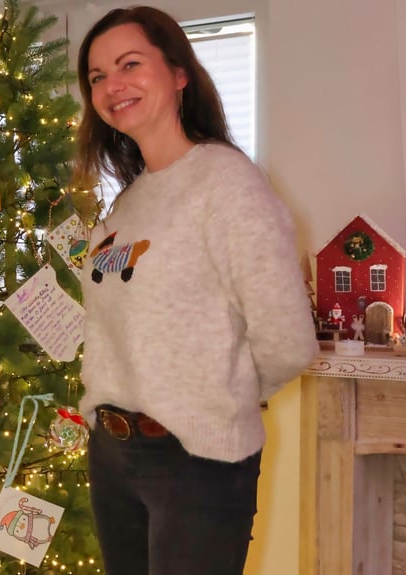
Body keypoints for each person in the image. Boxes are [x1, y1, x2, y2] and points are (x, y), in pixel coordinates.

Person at [73, 7, 319, 575]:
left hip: (197, 460)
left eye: (130, 64)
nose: (112, 86)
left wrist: (213, 396)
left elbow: (287, 339)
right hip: (113, 455)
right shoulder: (127, 204)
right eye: (98, 76)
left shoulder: (227, 184)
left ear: (179, 72)